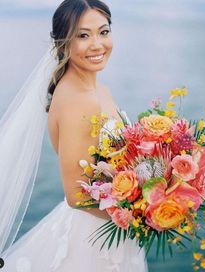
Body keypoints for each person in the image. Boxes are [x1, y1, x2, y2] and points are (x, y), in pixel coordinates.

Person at [0, 0, 148, 271]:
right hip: (94, 242)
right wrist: (145, 216)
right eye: (83, 35)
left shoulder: (100, 90)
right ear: (63, 43)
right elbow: (76, 195)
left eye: (103, 32)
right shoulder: (78, 100)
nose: (97, 44)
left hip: (110, 225)